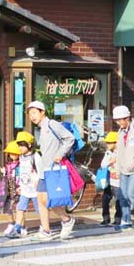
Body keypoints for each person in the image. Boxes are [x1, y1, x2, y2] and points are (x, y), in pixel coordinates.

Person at [27, 101, 76, 241]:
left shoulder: (52, 124)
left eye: (35, 113)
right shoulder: (40, 129)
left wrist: (59, 155)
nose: (32, 116)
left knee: (49, 201)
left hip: (53, 170)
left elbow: (69, 138)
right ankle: (46, 231)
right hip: (44, 170)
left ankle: (66, 220)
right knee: (41, 200)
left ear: (43, 112)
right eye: (30, 114)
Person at [6, 132, 41, 239]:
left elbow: (40, 171)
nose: (20, 148)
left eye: (22, 145)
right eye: (19, 145)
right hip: (25, 189)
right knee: (20, 208)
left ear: (29, 145)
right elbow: (21, 173)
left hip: (35, 190)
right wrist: (20, 186)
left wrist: (38, 182)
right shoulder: (21, 157)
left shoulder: (35, 156)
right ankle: (17, 228)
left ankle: (44, 226)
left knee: (40, 210)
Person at [0, 140, 21, 236]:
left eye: (15, 153)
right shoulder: (8, 165)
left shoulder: (20, 165)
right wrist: (4, 172)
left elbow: (20, 176)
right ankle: (11, 223)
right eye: (11, 153)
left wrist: (20, 186)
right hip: (8, 189)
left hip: (17, 187)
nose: (13, 155)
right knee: (7, 206)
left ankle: (21, 226)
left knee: (20, 208)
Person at [100, 131, 122, 226]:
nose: (107, 144)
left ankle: (118, 219)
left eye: (110, 142)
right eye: (107, 142)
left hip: (118, 181)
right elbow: (102, 164)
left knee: (118, 200)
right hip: (109, 180)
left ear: (116, 142)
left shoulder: (121, 152)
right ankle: (106, 218)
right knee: (105, 199)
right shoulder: (108, 153)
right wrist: (110, 161)